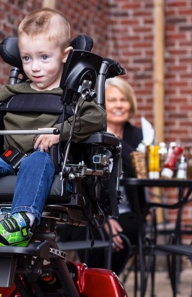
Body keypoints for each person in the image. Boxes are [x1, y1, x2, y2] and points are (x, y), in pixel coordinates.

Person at [0, 8, 105, 247]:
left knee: (37, 160)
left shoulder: (72, 97)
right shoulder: (12, 92)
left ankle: (22, 221)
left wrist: (59, 132)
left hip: (47, 163)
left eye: (44, 57)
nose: (34, 67)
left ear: (65, 55)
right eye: (27, 58)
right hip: (5, 160)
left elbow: (96, 117)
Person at [57, 77, 144, 275]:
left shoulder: (138, 136)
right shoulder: (91, 135)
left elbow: (141, 170)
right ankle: (96, 288)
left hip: (128, 211)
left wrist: (118, 141)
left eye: (124, 100)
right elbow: (84, 179)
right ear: (102, 105)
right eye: (113, 100)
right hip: (90, 210)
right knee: (95, 235)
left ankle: (107, 285)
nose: (119, 105)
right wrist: (103, 218)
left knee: (128, 233)